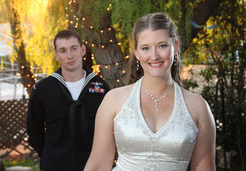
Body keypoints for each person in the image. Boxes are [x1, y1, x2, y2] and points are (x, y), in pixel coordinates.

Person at [84, 13, 216, 171]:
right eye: (145, 48)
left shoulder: (198, 107)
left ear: (176, 46)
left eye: (162, 46)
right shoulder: (113, 100)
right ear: (136, 53)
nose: (154, 56)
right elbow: (98, 165)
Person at [26, 29, 110, 171]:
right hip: (55, 165)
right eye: (63, 51)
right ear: (56, 55)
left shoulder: (100, 87)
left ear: (82, 50)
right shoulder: (43, 89)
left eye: (74, 48)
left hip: (93, 165)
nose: (69, 55)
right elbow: (34, 130)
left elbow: (109, 128)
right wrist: (49, 155)